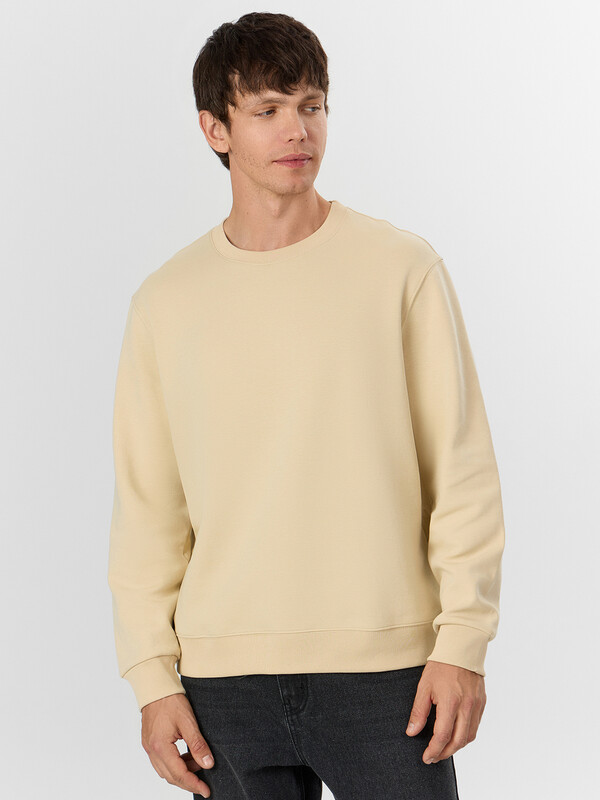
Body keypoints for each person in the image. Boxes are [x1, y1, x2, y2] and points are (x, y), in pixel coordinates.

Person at [107, 11, 505, 800]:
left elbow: (461, 472)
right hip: (222, 680)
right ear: (216, 129)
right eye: (268, 110)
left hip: (387, 672)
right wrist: (152, 677)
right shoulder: (166, 302)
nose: (299, 130)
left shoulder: (401, 270)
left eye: (312, 105)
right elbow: (149, 510)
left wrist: (462, 641)